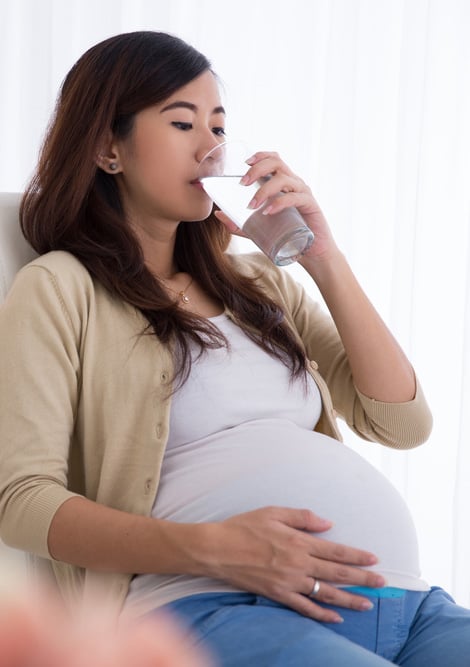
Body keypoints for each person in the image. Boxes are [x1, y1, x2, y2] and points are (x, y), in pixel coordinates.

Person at [0, 30, 469, 667]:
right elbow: (23, 501)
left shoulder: (260, 282)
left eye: (219, 125)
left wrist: (322, 260)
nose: (212, 145)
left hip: (406, 604)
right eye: (183, 122)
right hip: (210, 607)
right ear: (109, 149)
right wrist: (216, 548)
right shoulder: (60, 288)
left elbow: (402, 421)